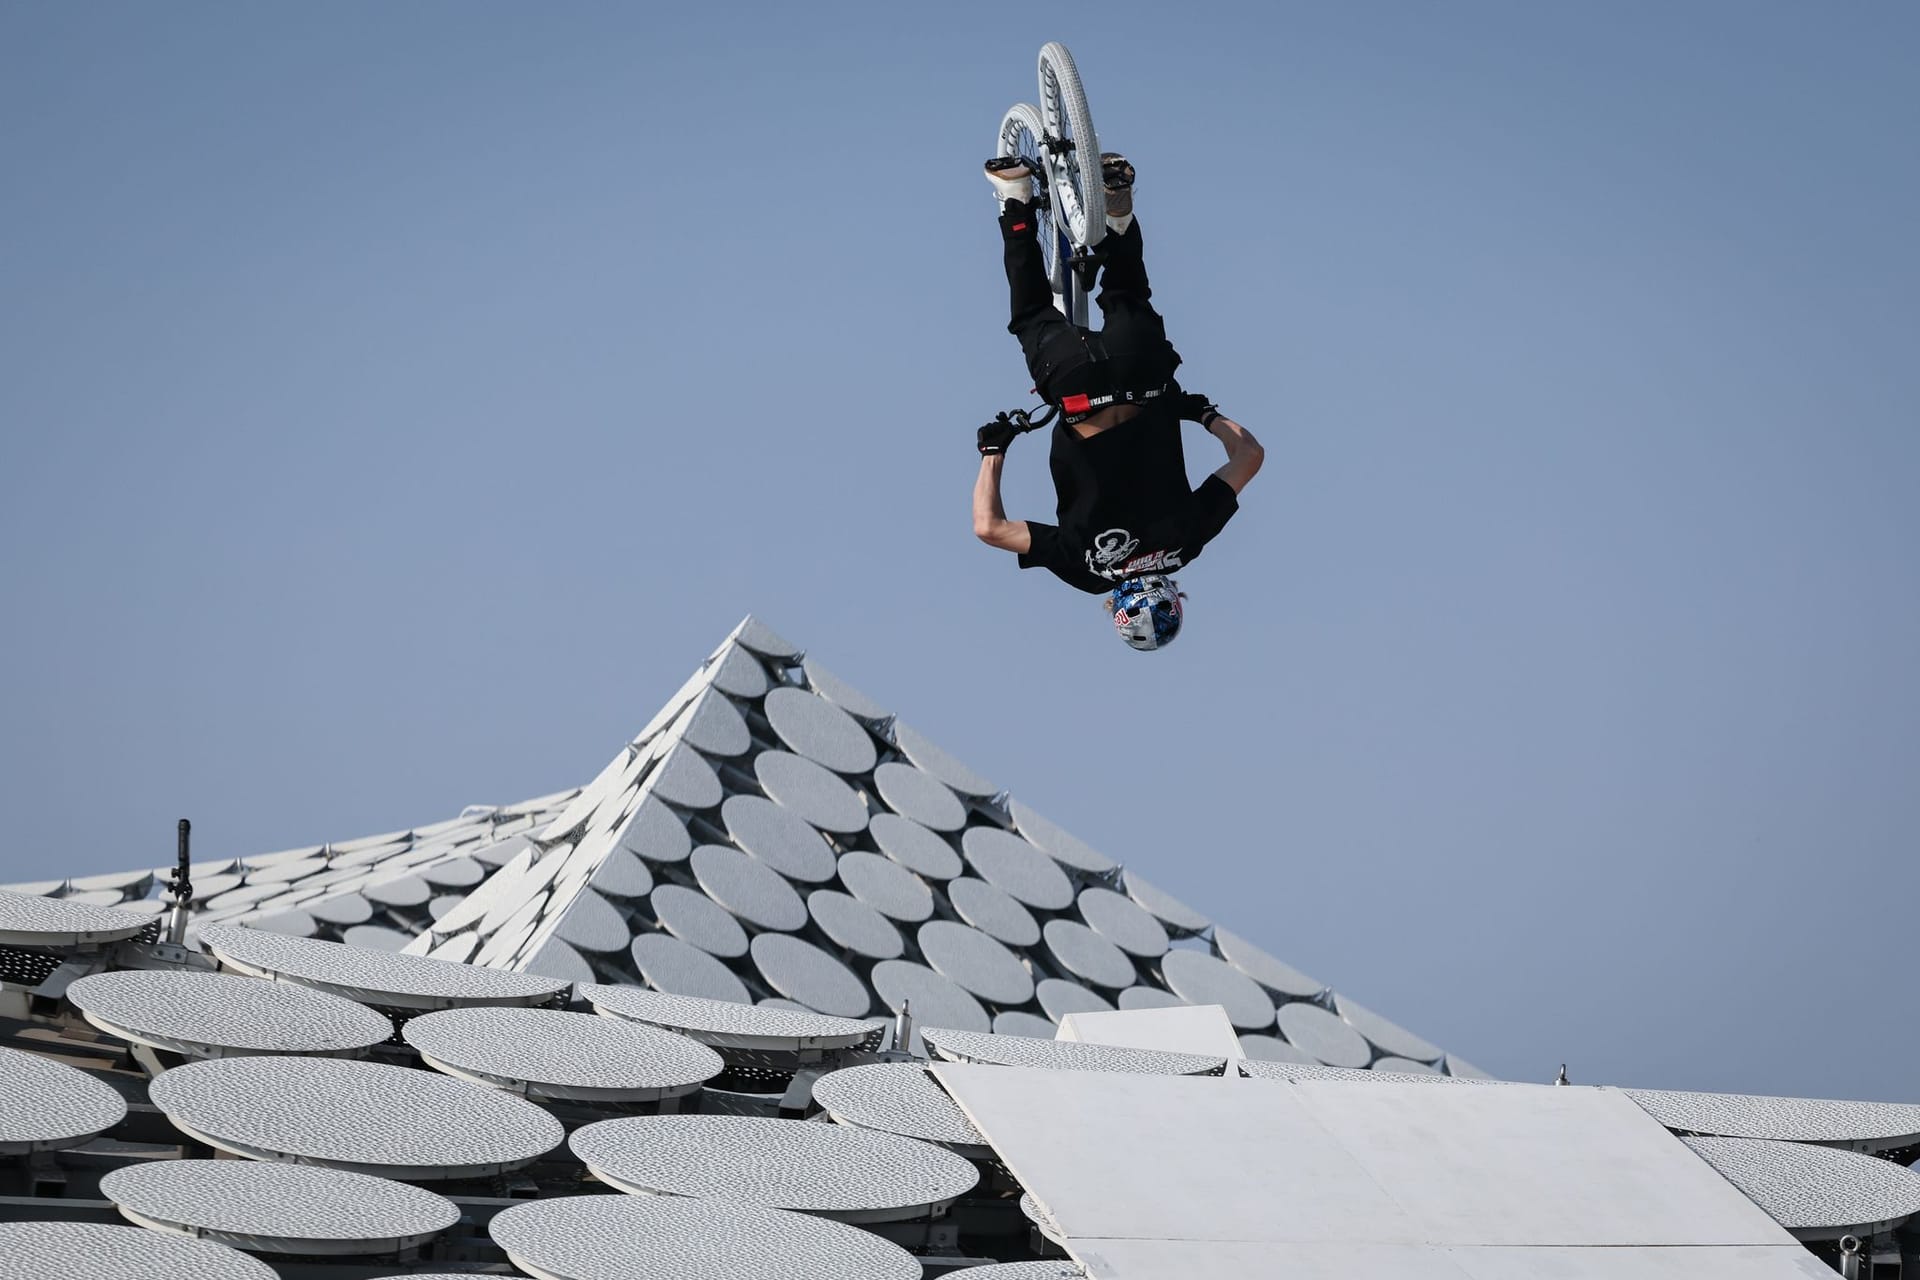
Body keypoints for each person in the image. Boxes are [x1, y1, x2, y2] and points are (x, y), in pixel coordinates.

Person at [971, 152, 1264, 651]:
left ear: (1173, 595)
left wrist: (1201, 412)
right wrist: (994, 450)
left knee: (1129, 293)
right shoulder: (1091, 571)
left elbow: (1250, 455)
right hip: (1077, 387)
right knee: (1031, 314)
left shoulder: (1187, 543)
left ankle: (1118, 212)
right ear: (1118, 610)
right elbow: (990, 528)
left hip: (1143, 374)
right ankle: (1015, 197)